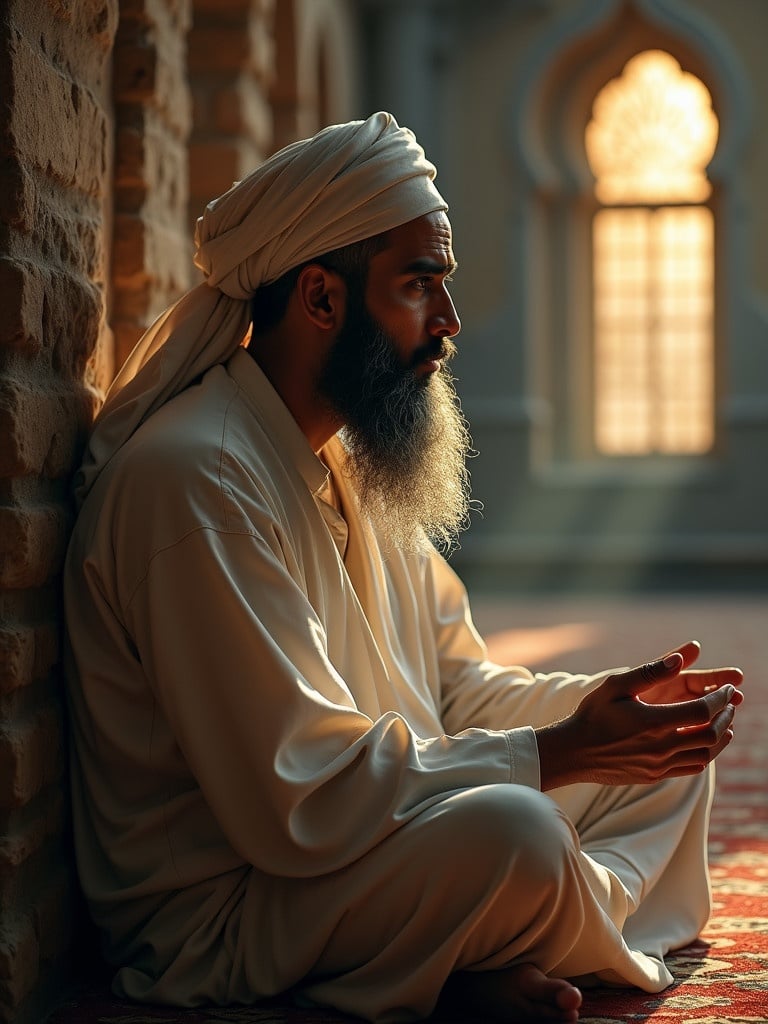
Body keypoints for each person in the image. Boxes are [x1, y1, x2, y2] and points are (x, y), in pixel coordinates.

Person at [63, 112, 743, 1024]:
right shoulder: (198, 478)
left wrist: (600, 716)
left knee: (665, 757)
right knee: (520, 832)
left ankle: (489, 949)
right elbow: (298, 799)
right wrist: (555, 755)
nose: (450, 323)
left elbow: (455, 691)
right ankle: (504, 946)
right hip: (234, 905)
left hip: (364, 849)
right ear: (319, 299)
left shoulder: (347, 459)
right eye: (420, 286)